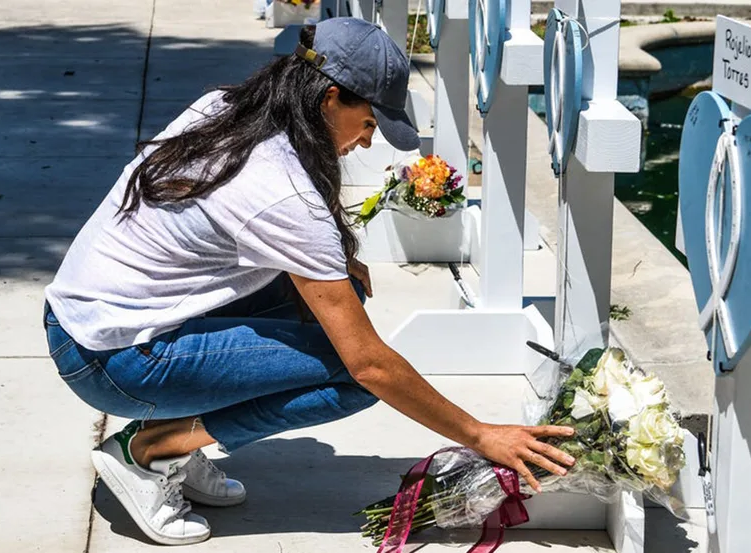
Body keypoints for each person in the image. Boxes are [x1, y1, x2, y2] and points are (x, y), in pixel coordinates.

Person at [43, 18, 576, 546]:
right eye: (369, 123)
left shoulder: (228, 107)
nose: (368, 143)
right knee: (350, 376)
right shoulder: (282, 194)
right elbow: (369, 364)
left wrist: (338, 256)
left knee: (339, 295)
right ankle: (152, 449)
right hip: (114, 361)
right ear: (330, 98)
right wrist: (482, 435)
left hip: (82, 320)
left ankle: (178, 435)